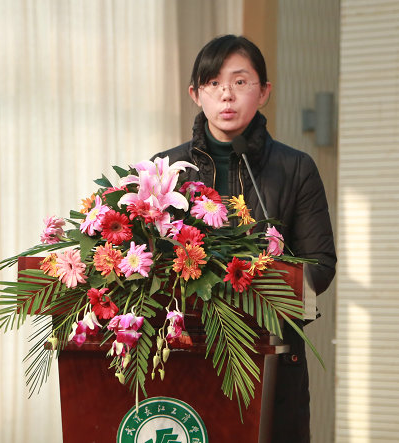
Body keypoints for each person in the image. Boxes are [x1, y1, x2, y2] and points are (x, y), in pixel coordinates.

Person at [153, 35, 337, 442]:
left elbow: (320, 266)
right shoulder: (167, 170)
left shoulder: (296, 169)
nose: (227, 94)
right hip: (185, 351)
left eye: (240, 82)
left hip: (270, 354)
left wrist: (259, 280)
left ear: (264, 92)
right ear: (195, 94)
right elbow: (148, 257)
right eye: (214, 83)